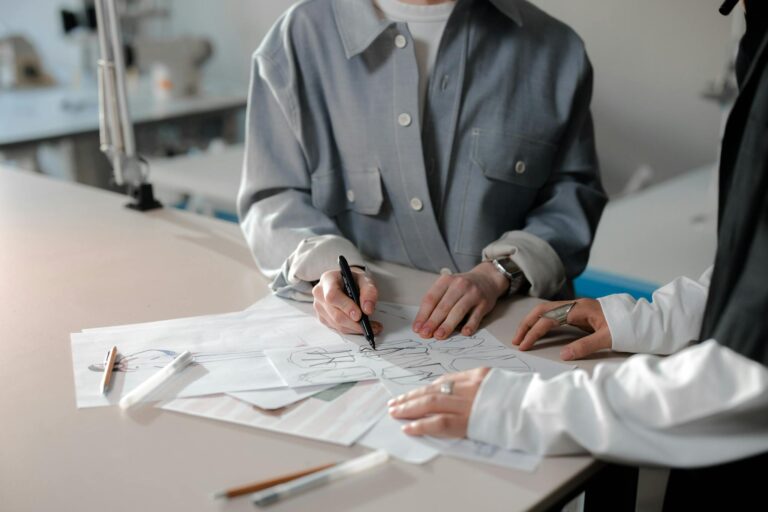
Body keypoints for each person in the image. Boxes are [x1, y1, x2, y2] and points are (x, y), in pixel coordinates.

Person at [387, 1, 768, 507]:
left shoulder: (551, 46)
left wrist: (525, 408)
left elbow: (746, 380)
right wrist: (652, 320)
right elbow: (752, 277)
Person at [237, 0, 606, 341]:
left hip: (519, 346)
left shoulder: (557, 50)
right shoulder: (296, 40)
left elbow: (573, 196)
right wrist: (327, 267)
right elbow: (272, 195)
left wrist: (501, 273)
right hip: (361, 347)